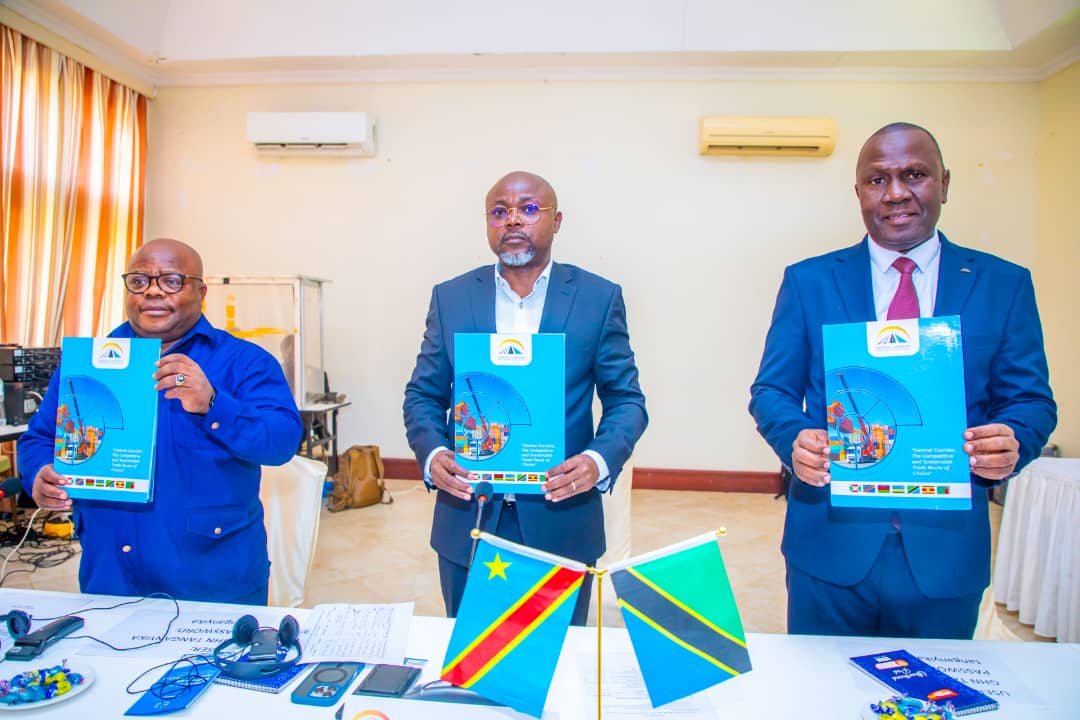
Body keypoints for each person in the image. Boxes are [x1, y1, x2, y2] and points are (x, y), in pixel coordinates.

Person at [749, 123, 1057, 639]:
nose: (895, 193)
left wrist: (1014, 440)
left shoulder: (1003, 284)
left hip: (945, 554)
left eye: (914, 175)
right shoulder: (809, 281)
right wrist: (795, 438)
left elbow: (1031, 401)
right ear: (858, 192)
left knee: (933, 688)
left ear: (944, 183)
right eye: (878, 180)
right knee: (819, 684)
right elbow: (771, 391)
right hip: (829, 547)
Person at [404, 171, 648, 626]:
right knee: (472, 656)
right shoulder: (451, 298)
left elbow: (627, 401)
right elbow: (423, 394)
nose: (513, 220)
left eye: (529, 209)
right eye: (499, 211)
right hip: (469, 518)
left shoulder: (598, 298)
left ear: (557, 221)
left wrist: (597, 460)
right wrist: (434, 454)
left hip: (563, 521)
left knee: (560, 659)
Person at [18, 238, 302, 604]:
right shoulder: (92, 363)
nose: (152, 291)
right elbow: (38, 439)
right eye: (139, 281)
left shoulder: (245, 361)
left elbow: (281, 442)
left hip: (212, 582)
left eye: (171, 281)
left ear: (201, 292)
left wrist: (213, 404)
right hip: (110, 578)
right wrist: (39, 472)